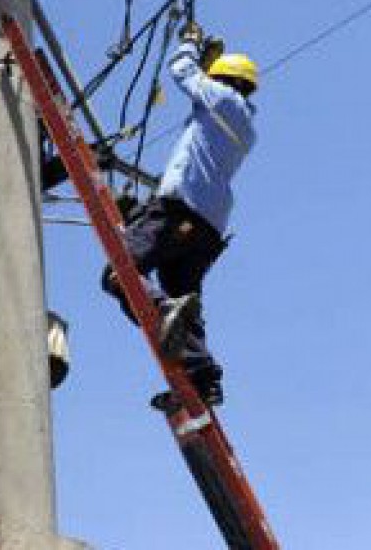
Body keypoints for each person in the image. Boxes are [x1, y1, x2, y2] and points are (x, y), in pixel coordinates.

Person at [104, 20, 259, 409]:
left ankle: (162, 311)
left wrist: (189, 45)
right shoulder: (240, 124)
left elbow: (182, 73)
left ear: (223, 80)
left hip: (182, 207)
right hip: (208, 228)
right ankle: (204, 381)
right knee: (183, 299)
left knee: (120, 274)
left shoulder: (222, 100)